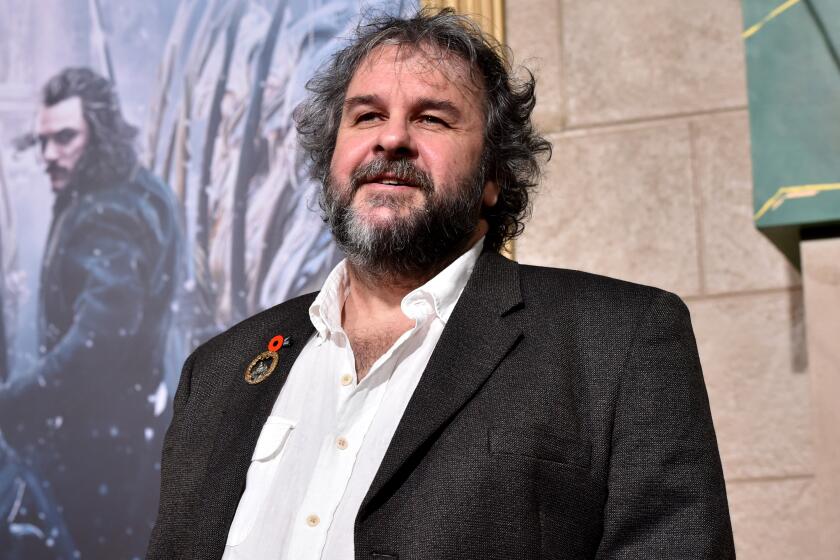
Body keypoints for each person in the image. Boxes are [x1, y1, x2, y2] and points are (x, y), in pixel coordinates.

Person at [148, 9, 735, 560]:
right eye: (366, 116)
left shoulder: (618, 341)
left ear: (494, 175)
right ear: (332, 157)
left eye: (432, 117)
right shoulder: (219, 371)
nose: (391, 139)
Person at [0, 67, 181, 559]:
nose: (48, 155)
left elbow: (98, 343)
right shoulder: (142, 189)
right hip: (130, 441)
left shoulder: (106, 214)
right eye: (41, 141)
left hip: (98, 455)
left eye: (64, 138)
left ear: (98, 135)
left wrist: (17, 403)